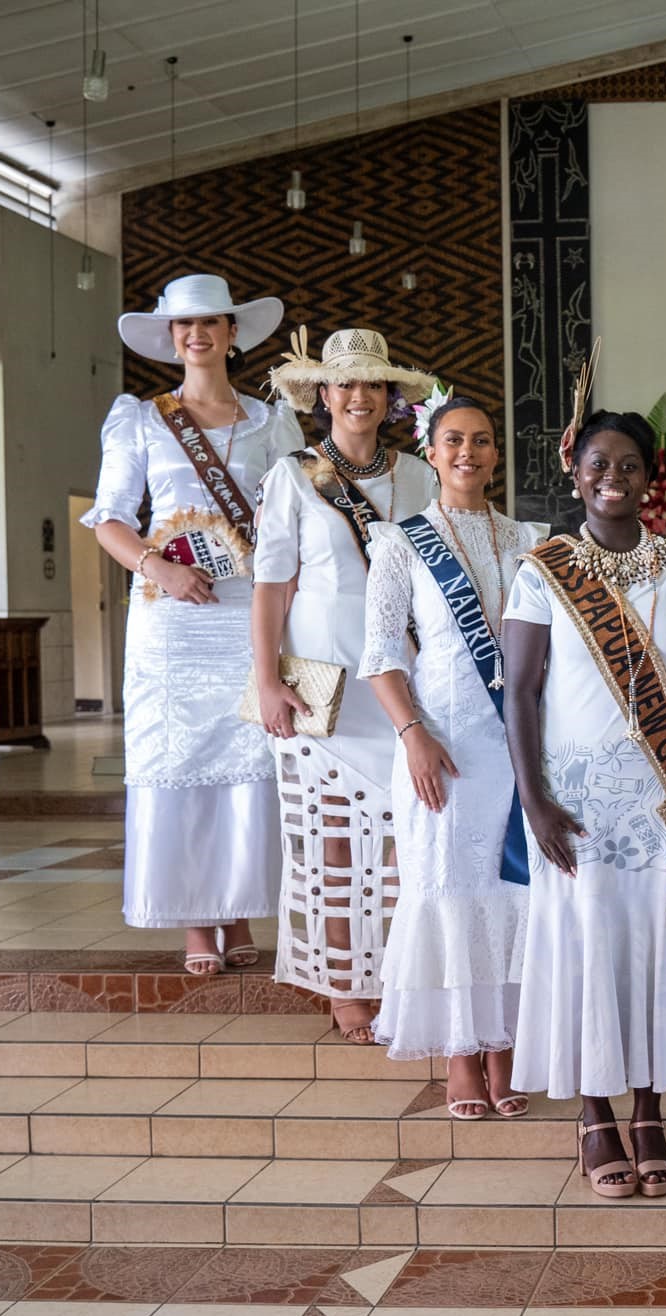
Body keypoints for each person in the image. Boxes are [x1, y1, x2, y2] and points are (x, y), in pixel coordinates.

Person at [502, 411, 666, 1201]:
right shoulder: (544, 570)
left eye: (629, 465)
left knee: (657, 946)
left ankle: (651, 1109)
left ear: (649, 477)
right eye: (600, 464)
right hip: (578, 803)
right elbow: (522, 693)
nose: (613, 479)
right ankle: (595, 1111)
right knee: (591, 945)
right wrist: (534, 800)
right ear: (577, 472)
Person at [84, 274, 298, 974]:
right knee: (179, 761)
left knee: (245, 759)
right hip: (172, 617)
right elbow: (109, 519)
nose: (196, 335)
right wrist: (159, 568)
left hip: (249, 610)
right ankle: (195, 925)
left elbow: (297, 515)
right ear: (170, 338)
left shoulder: (273, 422)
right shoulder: (140, 418)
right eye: (183, 326)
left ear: (233, 333)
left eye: (210, 322)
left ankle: (236, 909)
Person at [360, 393, 547, 1115]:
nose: (467, 452)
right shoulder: (401, 542)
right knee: (449, 893)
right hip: (442, 748)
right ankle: (462, 1057)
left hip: (516, 747)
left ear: (496, 454)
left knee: (509, 895)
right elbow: (379, 655)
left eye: (481, 441)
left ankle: (505, 1044)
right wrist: (413, 736)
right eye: (453, 441)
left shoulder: (527, 538)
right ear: (430, 453)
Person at [253, 329, 437, 1042]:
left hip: (403, 679)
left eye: (372, 385)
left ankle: (396, 975)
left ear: (391, 398)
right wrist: (265, 679)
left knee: (402, 842)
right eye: (344, 385)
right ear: (322, 396)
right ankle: (342, 984)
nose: (358, 397)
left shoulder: (420, 476)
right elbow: (273, 587)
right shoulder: (293, 477)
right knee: (331, 843)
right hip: (320, 683)